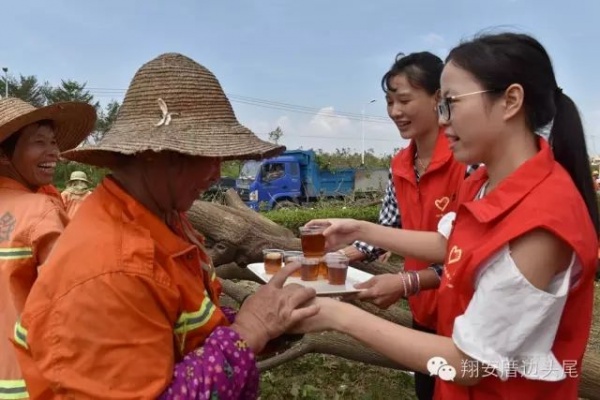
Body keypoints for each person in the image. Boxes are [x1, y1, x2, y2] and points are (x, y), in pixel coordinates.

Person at [298, 32, 598, 399]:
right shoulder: (485, 183)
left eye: (451, 103)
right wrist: (357, 228)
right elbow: (448, 243)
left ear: (511, 101)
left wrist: (336, 316)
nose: (443, 120)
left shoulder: (542, 221)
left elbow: (467, 363)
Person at [12, 53, 318, 400]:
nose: (217, 173)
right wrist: (251, 330)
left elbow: (175, 324)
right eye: (208, 155)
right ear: (156, 154)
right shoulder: (114, 269)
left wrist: (259, 323)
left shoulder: (165, 221)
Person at [338, 52, 478, 400]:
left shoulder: (469, 162)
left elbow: (469, 254)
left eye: (404, 100)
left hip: (465, 314)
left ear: (437, 98)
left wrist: (406, 281)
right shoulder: (400, 163)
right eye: (389, 102)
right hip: (423, 311)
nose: (395, 112)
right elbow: (387, 227)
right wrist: (339, 257)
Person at [0, 97, 96, 399]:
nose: (53, 152)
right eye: (38, 142)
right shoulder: (41, 210)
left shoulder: (49, 201)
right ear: (4, 154)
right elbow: (75, 304)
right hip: (30, 384)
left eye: (53, 142)